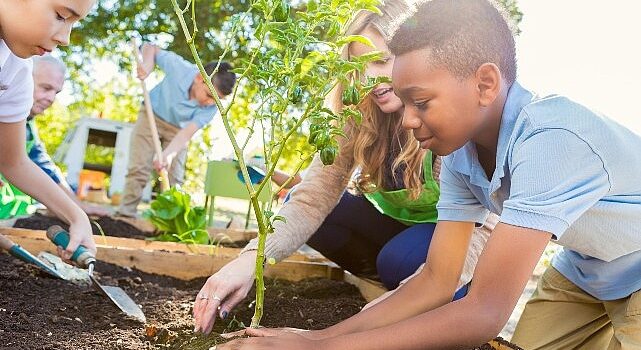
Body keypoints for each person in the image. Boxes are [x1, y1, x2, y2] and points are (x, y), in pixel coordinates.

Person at [217, 0, 641, 349]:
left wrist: (319, 349)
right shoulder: (461, 153)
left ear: (486, 83)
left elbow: (484, 312)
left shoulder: (553, 140)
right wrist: (318, 336)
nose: (406, 120)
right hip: (586, 270)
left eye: (420, 101)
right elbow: (437, 281)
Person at [192, 0, 496, 335]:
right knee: (312, 209)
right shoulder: (355, 115)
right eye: (359, 65)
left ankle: (417, 285)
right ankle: (386, 281)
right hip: (395, 230)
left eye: (383, 61)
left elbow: (484, 228)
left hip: (452, 237)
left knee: (399, 259)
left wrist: (395, 307)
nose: (371, 78)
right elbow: (311, 198)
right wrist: (250, 260)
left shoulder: (446, 118)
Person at [0, 0, 98, 260]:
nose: (65, 39)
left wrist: (76, 215)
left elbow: (14, 162)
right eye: (60, 15)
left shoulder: (14, 70)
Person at [116, 43, 237, 217]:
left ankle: (168, 222)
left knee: (175, 177)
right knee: (139, 168)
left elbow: (187, 133)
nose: (211, 103)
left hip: (178, 130)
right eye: (209, 95)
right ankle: (125, 215)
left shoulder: (212, 108)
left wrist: (169, 154)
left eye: (217, 99)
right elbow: (151, 47)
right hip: (152, 115)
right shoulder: (181, 68)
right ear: (198, 78)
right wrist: (148, 66)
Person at [0, 55, 109, 219]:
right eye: (45, 88)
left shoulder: (28, 125)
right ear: (23, 80)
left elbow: (47, 169)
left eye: (56, 92)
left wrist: (77, 208)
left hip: (10, 217)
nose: (51, 98)